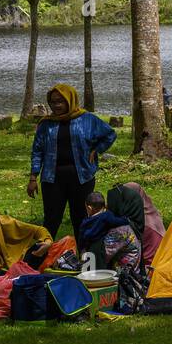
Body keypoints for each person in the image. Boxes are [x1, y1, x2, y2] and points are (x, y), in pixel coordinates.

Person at [28, 82, 117, 245]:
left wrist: (96, 150)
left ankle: (85, 259)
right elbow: (37, 151)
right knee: (51, 220)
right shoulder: (46, 124)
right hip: (52, 179)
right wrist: (33, 177)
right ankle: (39, 258)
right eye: (53, 102)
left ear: (70, 100)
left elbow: (110, 134)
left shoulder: (87, 119)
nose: (56, 106)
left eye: (60, 101)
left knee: (81, 219)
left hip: (82, 177)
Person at [79, 190, 146, 313]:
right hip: (132, 272)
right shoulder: (127, 223)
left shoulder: (119, 231)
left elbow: (102, 255)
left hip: (123, 279)